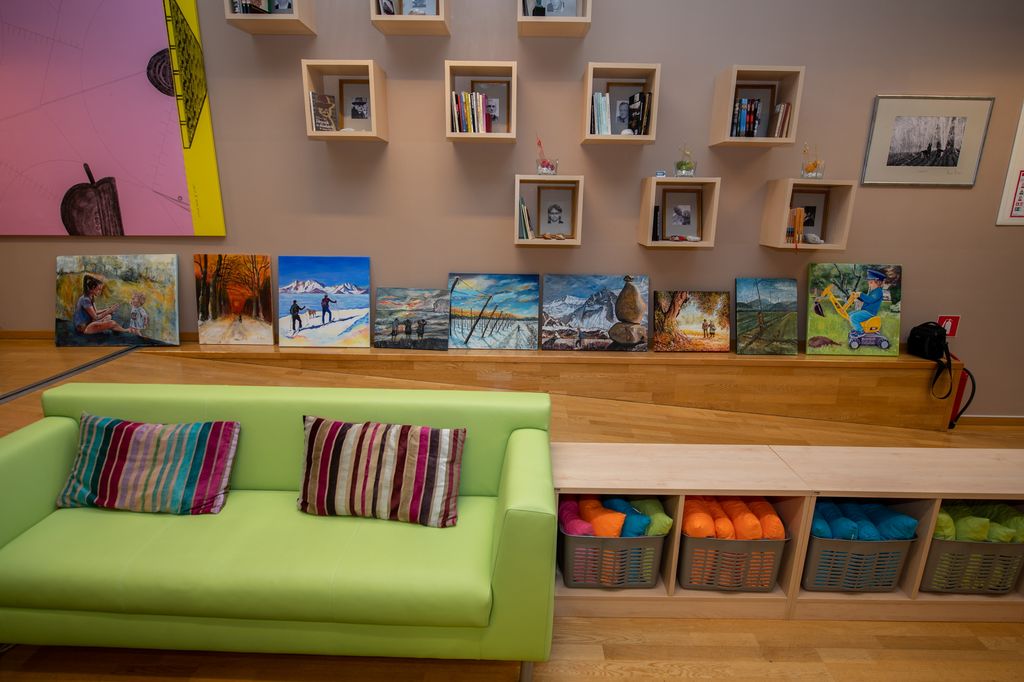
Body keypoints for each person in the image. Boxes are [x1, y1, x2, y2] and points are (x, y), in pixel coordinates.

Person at [849, 268, 886, 334]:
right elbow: (866, 299)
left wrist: (861, 294)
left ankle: (861, 331)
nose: (869, 285)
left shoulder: (878, 291)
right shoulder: (873, 291)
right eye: (869, 283)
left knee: (853, 317)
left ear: (878, 283)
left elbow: (870, 300)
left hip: (870, 312)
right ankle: (857, 328)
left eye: (871, 283)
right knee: (850, 314)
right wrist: (858, 297)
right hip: (866, 311)